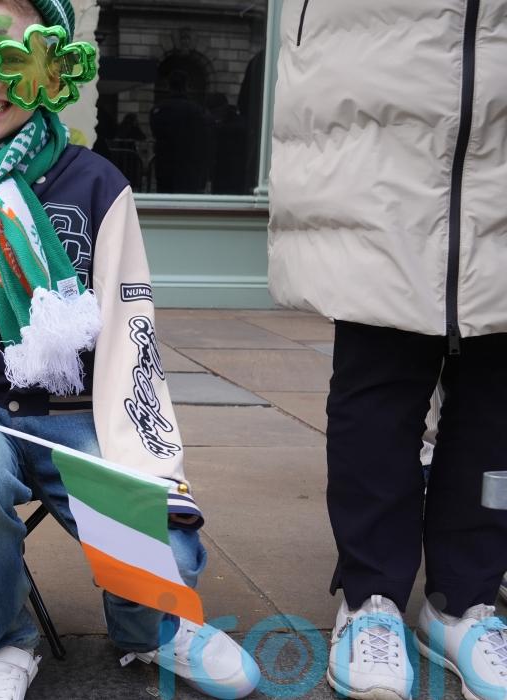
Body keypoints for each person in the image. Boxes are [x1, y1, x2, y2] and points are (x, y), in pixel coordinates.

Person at [0, 0, 259, 697]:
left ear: (52, 72)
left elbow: (131, 330)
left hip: (80, 414)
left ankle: (148, 630)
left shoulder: (98, 183)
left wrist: (151, 467)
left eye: (13, 61)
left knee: (166, 545)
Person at [269, 3, 507, 699]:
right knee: (379, 375)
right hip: (376, 88)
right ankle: (370, 597)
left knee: (499, 392)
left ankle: (464, 602)